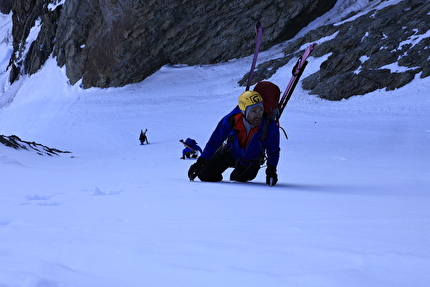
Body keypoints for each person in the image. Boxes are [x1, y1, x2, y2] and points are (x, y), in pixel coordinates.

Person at [188, 90, 280, 186]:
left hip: (251, 160)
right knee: (205, 175)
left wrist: (271, 169)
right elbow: (215, 141)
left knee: (238, 179)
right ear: (244, 111)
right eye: (254, 111)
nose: (259, 114)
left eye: (261, 110)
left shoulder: (269, 126)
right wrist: (200, 162)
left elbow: (273, 150)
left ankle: (239, 173)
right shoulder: (231, 119)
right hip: (230, 153)